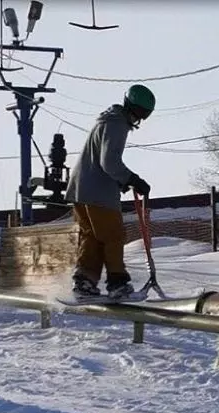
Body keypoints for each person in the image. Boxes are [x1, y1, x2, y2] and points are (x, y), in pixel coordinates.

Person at [64, 84, 155, 299]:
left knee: (93, 237)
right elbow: (109, 162)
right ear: (133, 108)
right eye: (141, 113)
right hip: (98, 193)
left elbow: (101, 161)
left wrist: (122, 182)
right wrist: (133, 179)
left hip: (81, 189)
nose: (140, 119)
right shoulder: (117, 124)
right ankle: (117, 283)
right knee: (113, 236)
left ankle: (85, 281)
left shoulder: (107, 121)